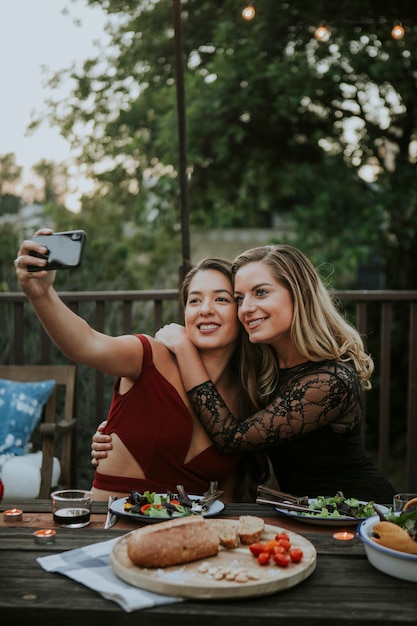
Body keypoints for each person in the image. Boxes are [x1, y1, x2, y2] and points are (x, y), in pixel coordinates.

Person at [14, 230, 271, 501]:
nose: (205, 309)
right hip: (109, 527)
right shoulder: (148, 356)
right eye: (194, 300)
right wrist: (41, 294)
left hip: (185, 535)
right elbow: (86, 343)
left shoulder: (246, 398)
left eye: (221, 299)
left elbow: (226, 498)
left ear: (241, 310)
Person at [155, 244, 397, 504]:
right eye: (239, 298)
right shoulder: (264, 371)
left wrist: (183, 348)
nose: (246, 308)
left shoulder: (330, 380)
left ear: (299, 294)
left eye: (260, 292)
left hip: (359, 516)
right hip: (307, 517)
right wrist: (113, 433)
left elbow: (230, 437)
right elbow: (209, 409)